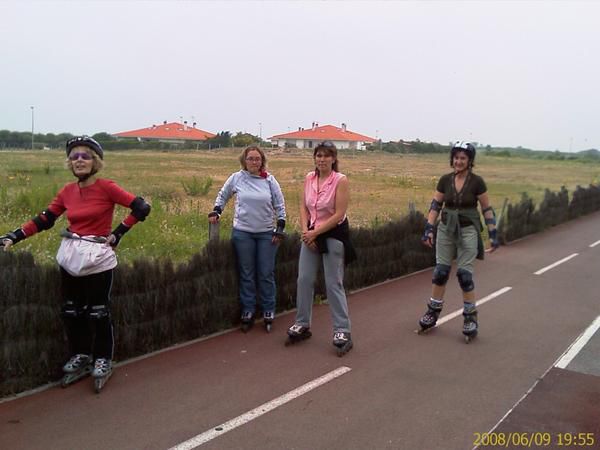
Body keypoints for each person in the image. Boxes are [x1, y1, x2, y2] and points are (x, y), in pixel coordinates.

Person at [1, 136, 150, 391]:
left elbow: (141, 207)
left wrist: (119, 233)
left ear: (96, 161)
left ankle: (103, 357)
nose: (79, 160)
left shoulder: (107, 187)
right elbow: (45, 219)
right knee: (72, 309)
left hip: (97, 256)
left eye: (85, 156)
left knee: (98, 310)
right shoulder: (67, 191)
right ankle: (81, 354)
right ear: (69, 163)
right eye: (74, 157)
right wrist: (14, 236)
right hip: (71, 254)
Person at [418, 141, 499, 342]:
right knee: (440, 272)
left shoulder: (477, 182)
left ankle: (470, 317)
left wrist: (493, 232)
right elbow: (436, 204)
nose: (458, 161)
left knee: (464, 275)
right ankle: (433, 311)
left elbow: (486, 209)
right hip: (446, 228)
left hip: (468, 229)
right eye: (456, 157)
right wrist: (429, 228)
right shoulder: (445, 180)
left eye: (463, 158)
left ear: (470, 161)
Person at [286, 141, 356, 356]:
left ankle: (342, 330)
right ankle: (302, 323)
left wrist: (315, 233)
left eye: (326, 156)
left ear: (333, 159)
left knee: (333, 282)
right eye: (319, 156)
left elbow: (338, 214)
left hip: (332, 234)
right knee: (304, 279)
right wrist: (307, 232)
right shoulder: (309, 178)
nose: (322, 159)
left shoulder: (340, 181)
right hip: (311, 234)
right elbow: (303, 206)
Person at [208, 146, 286, 333]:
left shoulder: (269, 180)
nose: (254, 162)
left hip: (266, 233)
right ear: (244, 160)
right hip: (243, 232)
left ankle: (268, 310)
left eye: (257, 159)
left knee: (266, 273)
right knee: (247, 273)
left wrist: (280, 227)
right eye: (250, 158)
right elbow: (223, 194)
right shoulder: (237, 178)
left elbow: (279, 203)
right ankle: (248, 311)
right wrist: (217, 210)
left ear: (262, 161)